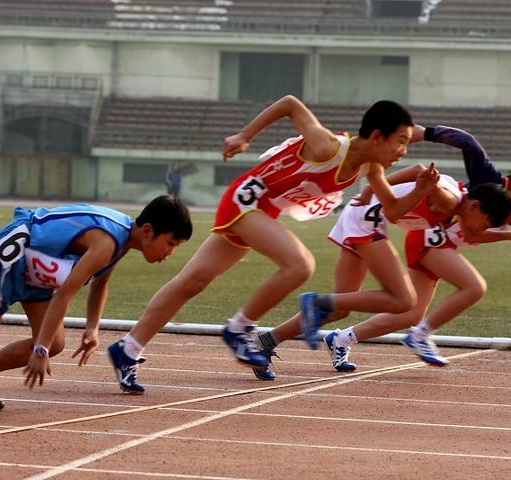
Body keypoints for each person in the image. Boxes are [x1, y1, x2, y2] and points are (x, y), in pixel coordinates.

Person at [105, 95, 439, 394]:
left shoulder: (371, 168)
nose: (404, 152)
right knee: (300, 265)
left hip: (262, 211)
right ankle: (239, 331)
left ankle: (128, 348)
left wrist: (420, 192)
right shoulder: (327, 146)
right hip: (245, 201)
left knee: (192, 282)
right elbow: (291, 103)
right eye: (401, 142)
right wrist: (244, 136)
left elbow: (393, 209)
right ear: (377, 136)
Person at [0, 196, 192, 410]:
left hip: (40, 267)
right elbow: (65, 294)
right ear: (148, 231)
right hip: (15, 255)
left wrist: (93, 329)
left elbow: (101, 284)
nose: (170, 253)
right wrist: (36, 351)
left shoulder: (121, 240)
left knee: (54, 342)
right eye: (171, 243)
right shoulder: (107, 242)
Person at [321, 124, 511, 370]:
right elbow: (468, 143)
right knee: (474, 287)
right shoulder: (489, 178)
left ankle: (341, 339)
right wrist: (425, 133)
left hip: (441, 242)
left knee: (410, 313)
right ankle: (421, 335)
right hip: (433, 237)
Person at [253, 162, 511, 379]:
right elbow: (418, 169)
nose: (482, 230)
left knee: (341, 310)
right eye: (487, 223)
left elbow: (461, 229)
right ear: (475, 206)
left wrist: (509, 237)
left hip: (360, 217)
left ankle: (265, 342)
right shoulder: (450, 201)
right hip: (367, 220)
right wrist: (373, 187)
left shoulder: (458, 210)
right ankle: (316, 301)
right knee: (403, 300)